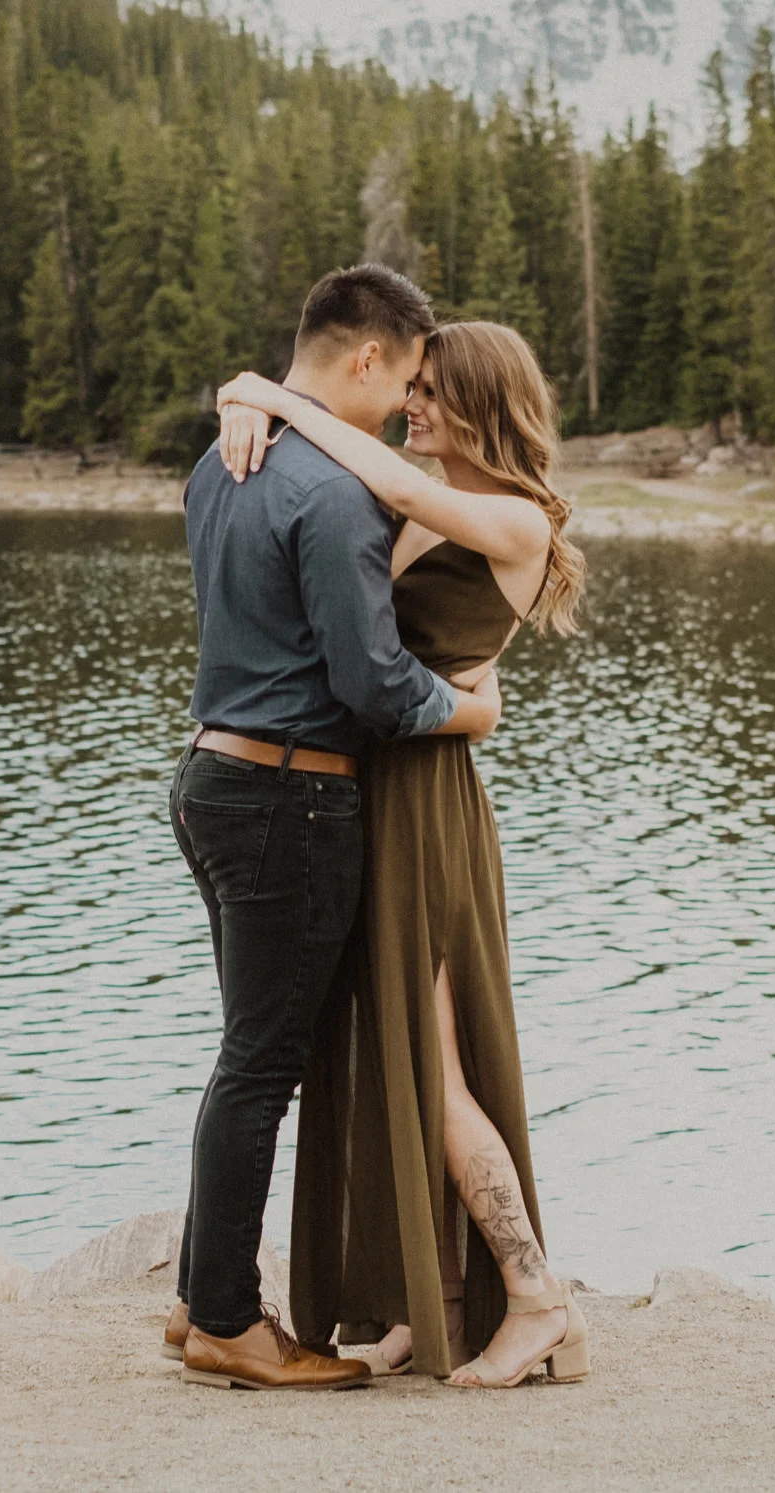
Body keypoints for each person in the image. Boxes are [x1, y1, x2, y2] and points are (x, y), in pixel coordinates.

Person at [211, 319, 592, 1388]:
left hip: (425, 807)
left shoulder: (511, 517)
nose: (410, 405)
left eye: (429, 391)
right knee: (385, 1054)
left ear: (479, 403)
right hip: (367, 790)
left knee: (435, 1065)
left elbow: (388, 483)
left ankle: (536, 1297)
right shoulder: (419, 499)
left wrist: (275, 398)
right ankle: (443, 1300)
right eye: (410, 387)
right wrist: (246, 399)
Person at [166, 265, 504, 1393]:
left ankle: (198, 1296)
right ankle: (225, 1319)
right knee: (262, 1060)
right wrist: (468, 709)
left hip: (209, 777)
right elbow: (371, 681)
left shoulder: (222, 460)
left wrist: (248, 393)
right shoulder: (337, 490)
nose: (407, 403)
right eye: (405, 379)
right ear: (366, 358)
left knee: (245, 1049)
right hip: (290, 796)